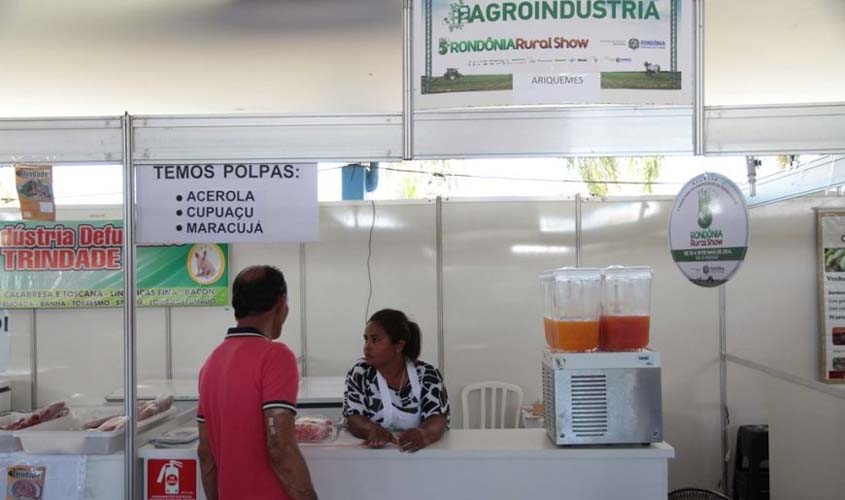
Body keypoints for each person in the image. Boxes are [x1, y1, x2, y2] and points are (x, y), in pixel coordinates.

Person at [197, 265, 318, 500]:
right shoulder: (276, 356)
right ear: (281, 303)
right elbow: (280, 446)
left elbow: (205, 453)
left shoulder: (211, 362)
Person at [343, 309, 450, 452]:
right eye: (366, 339)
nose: (367, 346)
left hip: (420, 456)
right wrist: (371, 430)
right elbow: (353, 418)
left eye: (375, 339)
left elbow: (438, 418)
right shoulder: (360, 373)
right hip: (375, 458)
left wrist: (424, 434)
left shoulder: (427, 375)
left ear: (399, 345)